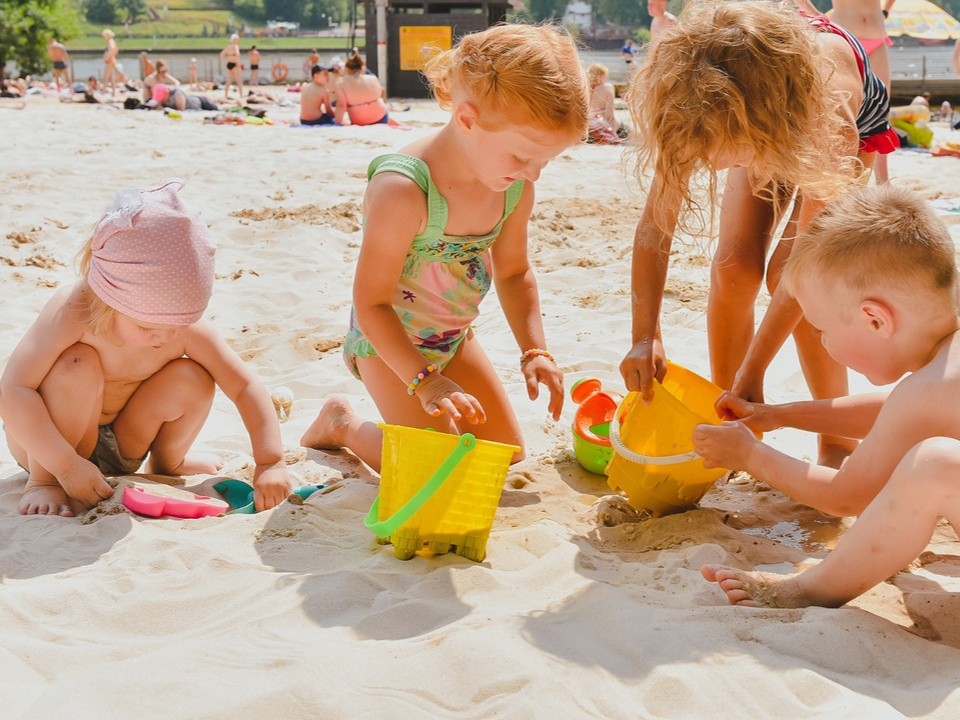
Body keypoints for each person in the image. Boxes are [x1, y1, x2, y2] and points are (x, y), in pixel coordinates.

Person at [620, 0, 898, 468]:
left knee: (798, 283)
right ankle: (732, 416)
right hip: (762, 99)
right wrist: (645, 335)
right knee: (734, 269)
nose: (711, 167)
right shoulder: (705, 103)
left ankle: (835, 443)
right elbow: (654, 229)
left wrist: (754, 370)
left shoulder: (830, 125)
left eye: (723, 157)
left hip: (826, 115)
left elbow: (804, 268)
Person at [300, 23, 589, 470]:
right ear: (467, 120)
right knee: (436, 468)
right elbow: (371, 301)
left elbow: (514, 272)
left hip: (451, 339)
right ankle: (342, 425)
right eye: (522, 156)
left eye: (545, 161)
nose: (533, 174)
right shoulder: (404, 189)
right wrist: (426, 382)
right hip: (387, 345)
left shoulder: (512, 187)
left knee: (505, 458)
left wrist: (535, 350)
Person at [696, 184, 960, 609]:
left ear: (874, 320)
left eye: (823, 330)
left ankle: (810, 588)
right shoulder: (943, 372)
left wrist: (750, 456)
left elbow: (846, 496)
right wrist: (779, 415)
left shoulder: (927, 392)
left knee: (934, 466)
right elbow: (897, 413)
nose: (825, 345)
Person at [0, 179, 291, 517]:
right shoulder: (74, 311)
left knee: (192, 375)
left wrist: (271, 462)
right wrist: (62, 468)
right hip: (46, 447)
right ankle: (44, 483)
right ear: (109, 298)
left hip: (123, 446)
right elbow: (13, 390)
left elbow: (244, 386)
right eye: (148, 327)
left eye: (178, 325)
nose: (165, 338)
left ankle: (170, 462)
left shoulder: (178, 326)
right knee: (78, 363)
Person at [823, 0, 897, 184]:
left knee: (880, 109)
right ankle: (834, 173)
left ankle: (882, 180)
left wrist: (885, 11)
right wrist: (818, 15)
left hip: (876, 33)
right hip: (844, 35)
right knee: (843, 109)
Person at [334, 50, 388, 126]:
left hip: (360, 121)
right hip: (382, 118)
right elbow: (382, 94)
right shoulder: (373, 78)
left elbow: (341, 105)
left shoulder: (341, 82)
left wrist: (337, 123)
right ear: (362, 67)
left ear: (346, 68)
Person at [586, 63, 625, 144]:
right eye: (605, 76)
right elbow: (609, 114)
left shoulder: (585, 87)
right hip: (603, 127)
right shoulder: (607, 87)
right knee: (627, 131)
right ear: (601, 76)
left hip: (588, 128)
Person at [147, 83, 218, 112]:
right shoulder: (162, 100)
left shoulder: (177, 94)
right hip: (194, 101)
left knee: (217, 109)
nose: (160, 100)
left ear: (166, 93)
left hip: (200, 103)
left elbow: (181, 110)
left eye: (161, 97)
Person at [220, 33, 244, 100]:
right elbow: (237, 55)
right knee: (239, 81)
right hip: (235, 64)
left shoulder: (227, 47)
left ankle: (225, 95)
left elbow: (221, 55)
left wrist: (226, 60)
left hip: (229, 63)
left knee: (228, 81)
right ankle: (241, 95)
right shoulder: (236, 46)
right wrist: (239, 64)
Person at [101, 29, 119, 98]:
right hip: (112, 60)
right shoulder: (112, 41)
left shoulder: (110, 41)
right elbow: (116, 50)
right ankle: (113, 92)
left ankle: (104, 90)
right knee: (111, 77)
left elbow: (113, 49)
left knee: (106, 76)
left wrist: (107, 57)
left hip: (110, 61)